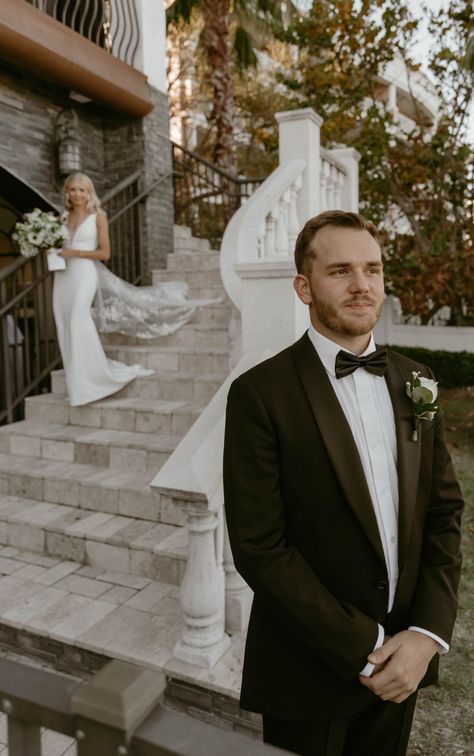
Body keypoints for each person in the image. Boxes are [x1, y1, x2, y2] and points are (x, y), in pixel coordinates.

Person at [223, 210, 464, 756]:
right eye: (340, 272)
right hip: (306, 667)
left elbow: (443, 514)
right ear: (304, 288)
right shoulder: (261, 394)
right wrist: (368, 647)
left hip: (404, 663)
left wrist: (425, 636)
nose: (362, 285)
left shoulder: (415, 380)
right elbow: (260, 547)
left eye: (372, 269)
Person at [53, 173, 210, 406]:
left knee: (78, 321)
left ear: (89, 192)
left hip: (84, 273)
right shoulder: (62, 217)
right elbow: (57, 245)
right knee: (63, 325)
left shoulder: (98, 216)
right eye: (73, 190)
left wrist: (74, 253)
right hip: (62, 275)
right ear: (66, 192)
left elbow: (105, 253)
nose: (77, 194)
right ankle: (77, 384)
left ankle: (93, 382)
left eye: (82, 190)